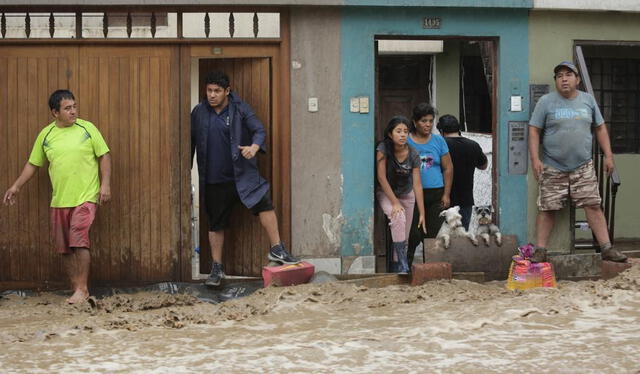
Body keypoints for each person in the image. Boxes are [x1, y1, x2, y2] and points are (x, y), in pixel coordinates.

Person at [191, 71, 299, 287]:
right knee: (215, 223)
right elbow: (189, 141)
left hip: (243, 174)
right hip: (214, 179)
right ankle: (217, 268)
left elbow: (259, 130)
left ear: (227, 91)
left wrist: (254, 147)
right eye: (209, 91)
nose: (212, 95)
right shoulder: (199, 112)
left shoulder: (240, 108)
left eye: (217, 91)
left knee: (265, 203)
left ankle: (277, 249)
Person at [3, 89, 112, 304]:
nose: (73, 112)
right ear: (55, 113)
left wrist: (105, 184)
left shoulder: (88, 128)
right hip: (60, 200)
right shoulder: (45, 135)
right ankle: (78, 289)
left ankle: (82, 289)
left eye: (74, 106)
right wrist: (16, 186)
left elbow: (104, 156)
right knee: (65, 248)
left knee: (79, 240)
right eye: (67, 108)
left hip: (86, 196)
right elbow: (33, 164)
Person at [528, 61, 627, 263]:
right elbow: (534, 129)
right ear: (556, 80)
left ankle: (606, 248)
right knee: (547, 208)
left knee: (593, 205)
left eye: (568, 75)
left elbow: (600, 128)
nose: (564, 79)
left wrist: (608, 155)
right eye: (559, 76)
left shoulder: (588, 101)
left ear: (577, 79)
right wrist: (535, 158)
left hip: (583, 166)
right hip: (553, 166)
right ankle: (540, 250)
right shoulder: (546, 102)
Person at [376, 116, 426, 274]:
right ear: (390, 134)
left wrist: (422, 213)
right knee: (398, 216)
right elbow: (381, 177)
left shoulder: (413, 153)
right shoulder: (383, 149)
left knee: (404, 234)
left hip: (407, 194)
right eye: (398, 131)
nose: (403, 135)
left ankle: (398, 267)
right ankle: (403, 265)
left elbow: (417, 184)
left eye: (405, 131)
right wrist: (394, 202)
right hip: (386, 192)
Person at [407, 103, 453, 266]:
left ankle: (430, 268)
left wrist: (446, 194)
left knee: (432, 234)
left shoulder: (438, 141)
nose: (427, 125)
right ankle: (406, 266)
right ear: (414, 122)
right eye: (423, 121)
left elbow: (448, 168)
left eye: (430, 121)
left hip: (436, 194)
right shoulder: (406, 141)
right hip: (411, 195)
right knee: (413, 234)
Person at [438, 114, 488, 230]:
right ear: (458, 129)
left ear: (441, 131)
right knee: (461, 236)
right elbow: (484, 165)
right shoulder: (473, 145)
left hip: (443, 198)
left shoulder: (440, 145)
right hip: (465, 200)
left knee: (441, 236)